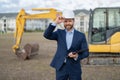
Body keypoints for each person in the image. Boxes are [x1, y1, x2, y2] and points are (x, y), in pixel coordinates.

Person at [43, 10, 89, 80]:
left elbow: (86, 53)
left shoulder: (81, 35)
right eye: (66, 21)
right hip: (61, 67)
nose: (68, 23)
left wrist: (77, 56)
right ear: (63, 22)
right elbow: (46, 35)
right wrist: (55, 22)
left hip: (75, 68)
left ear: (73, 21)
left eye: (70, 21)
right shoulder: (59, 33)